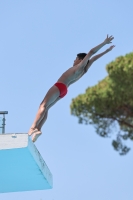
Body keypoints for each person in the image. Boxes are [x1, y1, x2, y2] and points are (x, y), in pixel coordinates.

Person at [28, 34, 115, 142]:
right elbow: (93, 59)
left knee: (43, 105)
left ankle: (32, 128)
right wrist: (107, 51)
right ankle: (38, 129)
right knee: (47, 108)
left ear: (80, 60)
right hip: (64, 91)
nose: (74, 61)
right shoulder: (84, 70)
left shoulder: (79, 67)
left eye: (76, 59)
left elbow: (91, 53)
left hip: (59, 85)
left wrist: (104, 43)